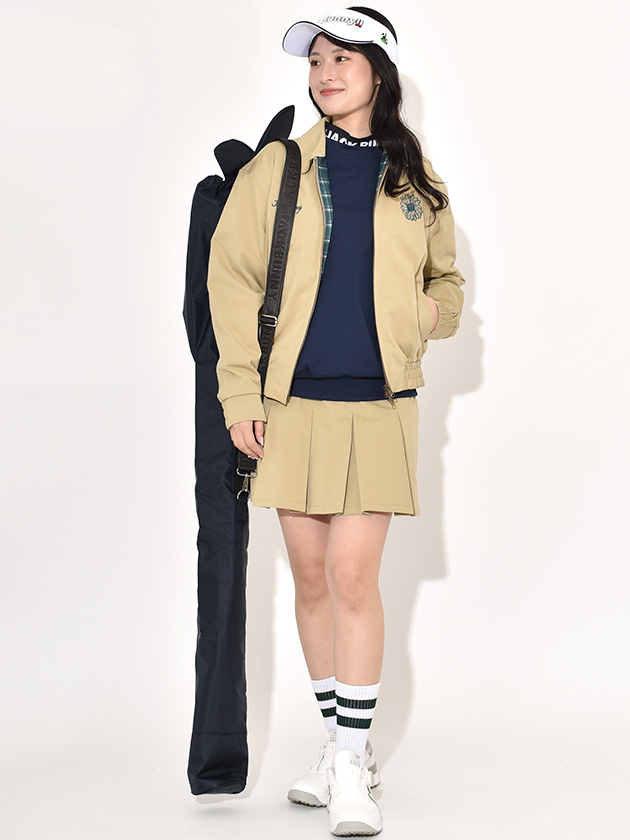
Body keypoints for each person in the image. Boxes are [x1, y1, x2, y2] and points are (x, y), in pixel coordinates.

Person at [206, 6, 465, 835]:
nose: (323, 74)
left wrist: (423, 316)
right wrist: (240, 397)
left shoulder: (414, 176)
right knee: (312, 580)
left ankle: (350, 765)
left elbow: (449, 283)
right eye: (315, 61)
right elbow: (231, 282)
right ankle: (341, 745)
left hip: (379, 406)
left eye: (341, 58)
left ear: (378, 71)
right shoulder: (278, 168)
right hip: (292, 406)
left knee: (354, 578)